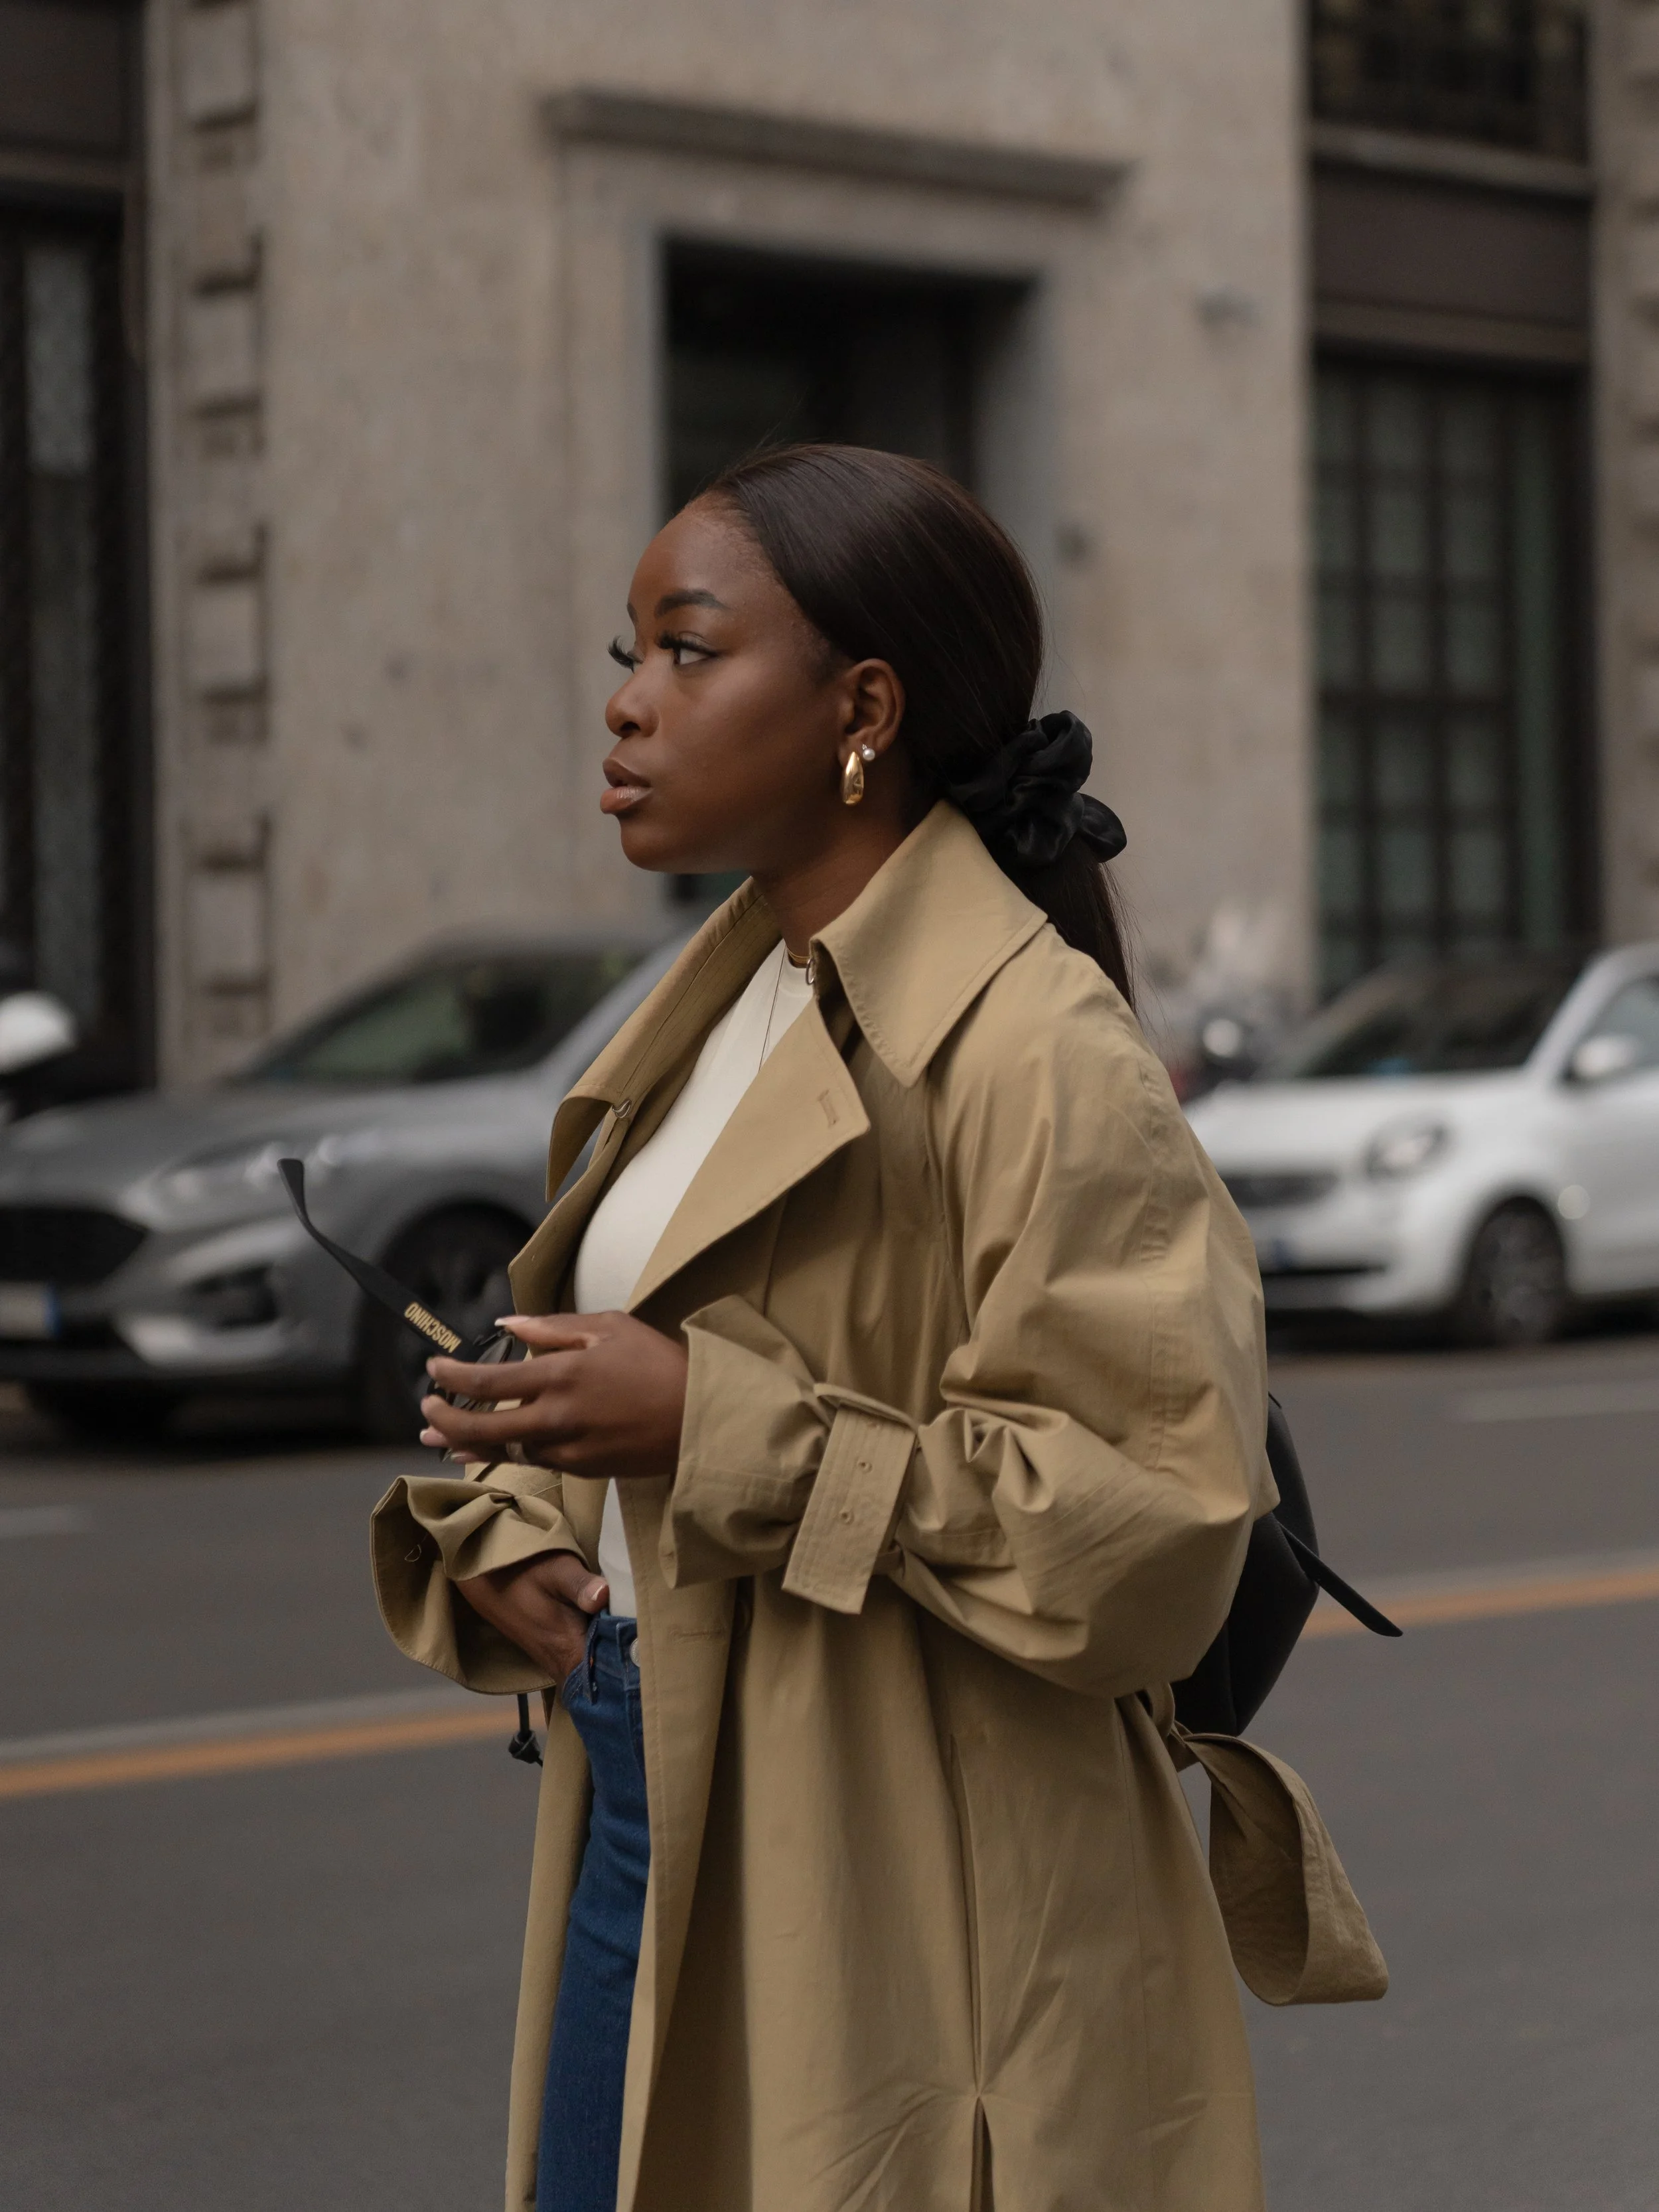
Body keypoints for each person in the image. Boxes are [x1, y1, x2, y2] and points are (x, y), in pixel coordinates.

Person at [372, 443, 1384, 2212]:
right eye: (627, 653)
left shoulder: (1037, 1048)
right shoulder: (724, 1005)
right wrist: (527, 1518)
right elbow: (661, 1366)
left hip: (909, 1886)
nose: (627, 703)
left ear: (862, 708)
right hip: (648, 1805)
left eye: (687, 651)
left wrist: (711, 1426)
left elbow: (1150, 1530)